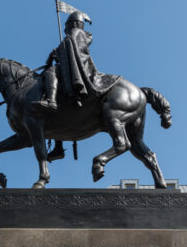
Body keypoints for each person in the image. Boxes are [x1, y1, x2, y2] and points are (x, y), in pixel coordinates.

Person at [33, 11, 122, 160]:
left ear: (71, 24)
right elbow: (68, 49)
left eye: (67, 26)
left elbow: (69, 47)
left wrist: (55, 53)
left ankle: (51, 101)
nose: (66, 30)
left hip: (80, 72)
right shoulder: (80, 35)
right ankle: (58, 147)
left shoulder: (76, 34)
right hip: (71, 69)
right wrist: (59, 52)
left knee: (50, 72)